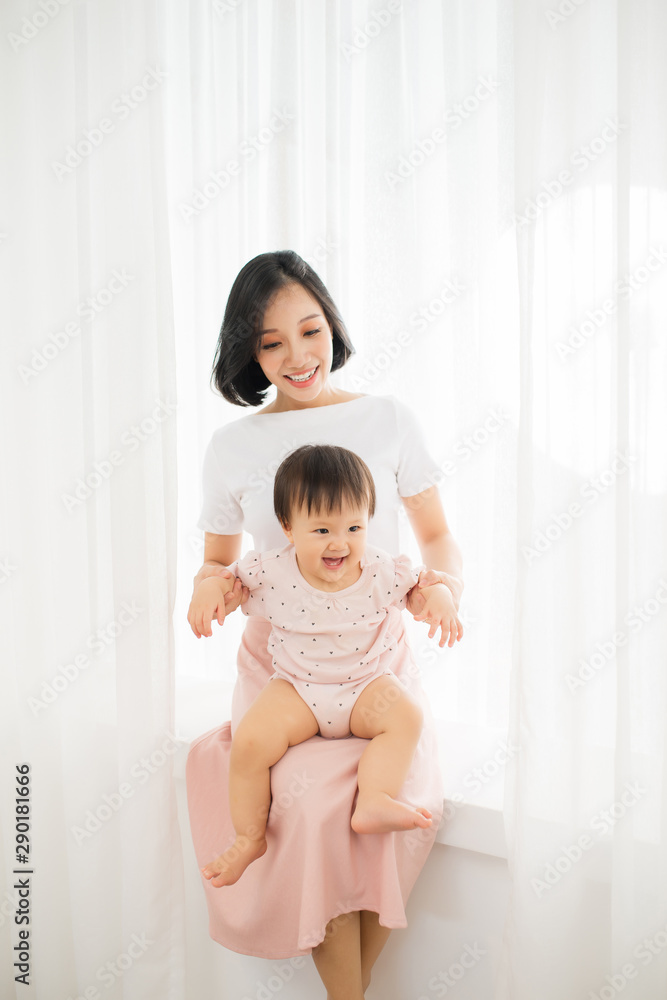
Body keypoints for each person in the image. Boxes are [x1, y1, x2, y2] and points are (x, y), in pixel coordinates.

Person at [185, 250, 464, 1000]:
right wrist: (203, 593)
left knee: (387, 813)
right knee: (308, 815)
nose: (297, 357)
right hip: (283, 674)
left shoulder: (386, 418)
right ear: (247, 352)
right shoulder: (231, 446)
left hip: (376, 663)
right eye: (270, 343)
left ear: (331, 327)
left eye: (309, 331)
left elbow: (434, 540)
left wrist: (444, 593)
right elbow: (218, 566)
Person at [188, 444, 462, 888]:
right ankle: (249, 837)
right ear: (288, 528)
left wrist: (442, 600)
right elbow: (226, 582)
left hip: (365, 686)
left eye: (354, 526)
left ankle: (373, 798)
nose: (340, 542)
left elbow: (422, 588)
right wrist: (208, 594)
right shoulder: (269, 569)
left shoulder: (380, 569)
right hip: (298, 688)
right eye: (321, 530)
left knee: (405, 715)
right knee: (250, 742)